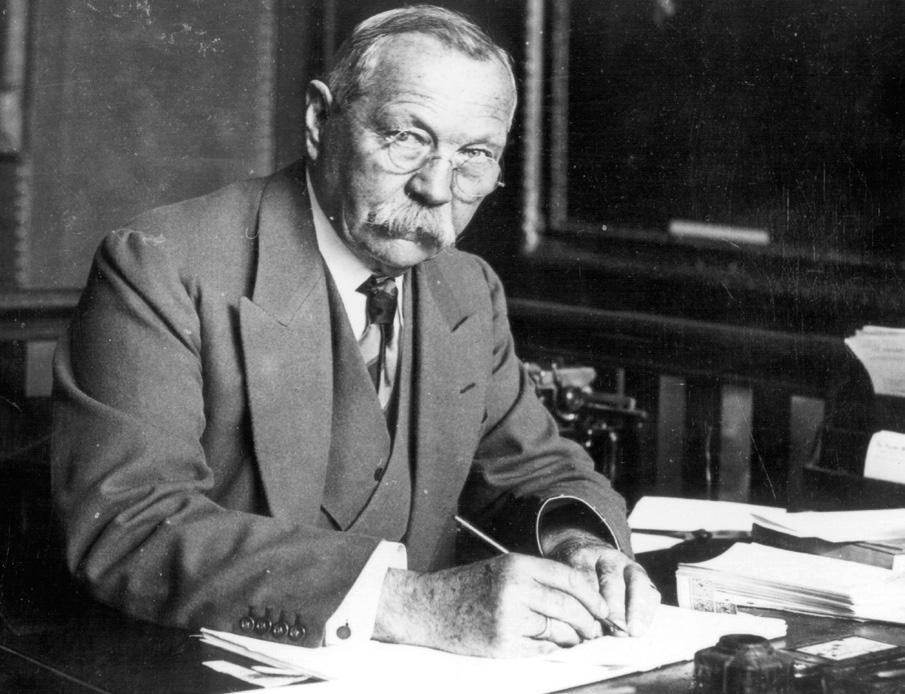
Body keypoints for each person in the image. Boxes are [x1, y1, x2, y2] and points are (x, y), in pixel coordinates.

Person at [51, 4, 659, 658]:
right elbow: (130, 525)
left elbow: (534, 469)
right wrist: (409, 603)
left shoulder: (466, 286)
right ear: (320, 121)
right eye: (407, 138)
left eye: (474, 155)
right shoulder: (163, 264)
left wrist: (579, 546)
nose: (436, 188)